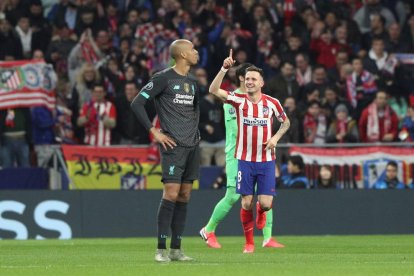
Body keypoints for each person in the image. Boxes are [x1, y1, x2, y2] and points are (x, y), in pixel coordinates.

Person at [208, 50, 291, 253]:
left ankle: (263, 220)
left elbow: (286, 122)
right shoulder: (238, 101)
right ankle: (249, 243)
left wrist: (275, 138)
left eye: (254, 78)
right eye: (247, 78)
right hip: (244, 159)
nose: (250, 81)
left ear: (262, 82)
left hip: (266, 159)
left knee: (265, 203)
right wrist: (223, 69)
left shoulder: (272, 103)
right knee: (245, 203)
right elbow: (213, 90)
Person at [131, 39, 200, 262]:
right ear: (181, 54)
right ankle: (160, 249)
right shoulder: (163, 78)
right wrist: (155, 131)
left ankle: (176, 249)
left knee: (185, 195)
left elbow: (193, 111)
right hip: (173, 146)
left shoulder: (192, 81)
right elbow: (137, 103)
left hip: (192, 146)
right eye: (192, 49)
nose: (196, 52)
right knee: (170, 193)